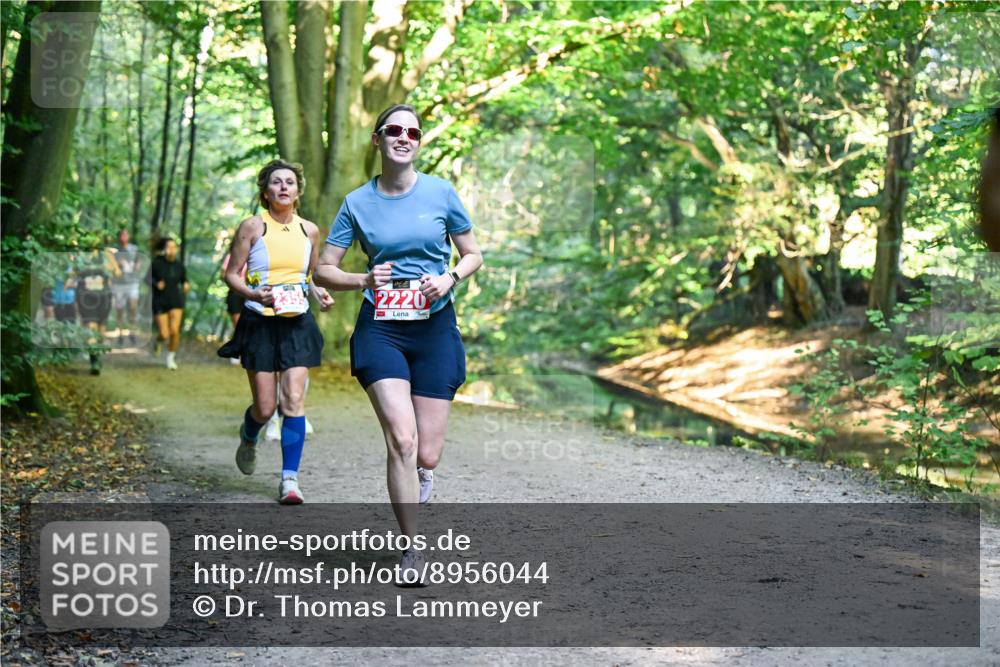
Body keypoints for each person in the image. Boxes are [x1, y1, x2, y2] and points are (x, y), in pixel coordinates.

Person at [314, 104, 483, 581]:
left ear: (419, 141)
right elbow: (324, 268)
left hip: (434, 328)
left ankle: (422, 473)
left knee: (426, 454)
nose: (404, 137)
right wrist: (363, 279)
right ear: (377, 139)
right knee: (401, 440)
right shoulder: (357, 202)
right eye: (394, 130)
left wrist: (449, 278)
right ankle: (411, 551)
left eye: (412, 131)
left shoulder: (441, 192)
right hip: (381, 329)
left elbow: (473, 254)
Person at [219, 159, 334, 504]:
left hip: (297, 320)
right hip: (259, 320)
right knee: (265, 407)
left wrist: (319, 292)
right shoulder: (252, 227)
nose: (283, 187)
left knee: (293, 400)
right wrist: (254, 293)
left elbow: (310, 275)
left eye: (289, 182)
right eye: (275, 182)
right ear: (265, 191)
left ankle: (289, 480)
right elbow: (232, 274)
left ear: (298, 191)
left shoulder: (309, 230)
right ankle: (249, 435)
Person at [75, 245, 117, 375]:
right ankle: (95, 361)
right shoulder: (80, 256)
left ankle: (96, 353)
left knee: (101, 331)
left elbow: (117, 272)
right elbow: (72, 274)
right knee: (91, 327)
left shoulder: (106, 256)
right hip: (86, 298)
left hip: (103, 298)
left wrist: (110, 265)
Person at [150, 237, 189, 370]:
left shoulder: (179, 265)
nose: (171, 250)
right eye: (168, 247)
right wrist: (156, 284)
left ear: (177, 249)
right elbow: (146, 279)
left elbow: (184, 279)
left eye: (173, 247)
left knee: (174, 330)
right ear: (164, 249)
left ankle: (170, 358)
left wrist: (185, 284)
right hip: (160, 301)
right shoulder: (156, 263)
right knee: (164, 334)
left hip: (175, 300)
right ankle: (158, 341)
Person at [110, 228, 142, 345]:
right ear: (119, 237)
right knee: (120, 310)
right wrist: (116, 266)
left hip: (132, 283)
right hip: (119, 284)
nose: (123, 236)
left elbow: (139, 262)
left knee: (133, 307)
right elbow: (111, 267)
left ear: (128, 236)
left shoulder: (134, 249)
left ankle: (131, 331)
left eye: (125, 234)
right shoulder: (115, 251)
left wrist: (136, 267)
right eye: (121, 234)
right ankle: (120, 333)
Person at [221, 251, 247, 366]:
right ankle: (237, 351)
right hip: (235, 293)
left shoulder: (254, 254)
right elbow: (222, 275)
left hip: (250, 293)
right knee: (238, 324)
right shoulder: (231, 257)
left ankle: (243, 350)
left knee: (247, 324)